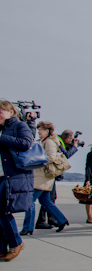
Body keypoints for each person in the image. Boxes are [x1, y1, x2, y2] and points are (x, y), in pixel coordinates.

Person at [20, 121, 70, 235]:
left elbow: (51, 158)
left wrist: (35, 160)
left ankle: (28, 227)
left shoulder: (49, 142)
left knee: (30, 201)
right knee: (45, 201)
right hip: (42, 176)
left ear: (47, 131)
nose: (39, 132)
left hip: (42, 176)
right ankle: (61, 220)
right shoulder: (42, 141)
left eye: (41, 130)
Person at [0, 100, 34, 261]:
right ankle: (1, 249)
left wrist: (2, 138)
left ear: (11, 112)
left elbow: (26, 143)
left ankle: (17, 243)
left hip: (12, 176)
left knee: (3, 212)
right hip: (1, 176)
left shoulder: (19, 126)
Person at [34, 129, 78, 229]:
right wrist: (74, 147)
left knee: (46, 199)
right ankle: (55, 219)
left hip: (47, 175)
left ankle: (51, 220)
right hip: (47, 174)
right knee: (47, 199)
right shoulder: (54, 141)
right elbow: (65, 155)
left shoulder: (52, 141)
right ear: (68, 138)